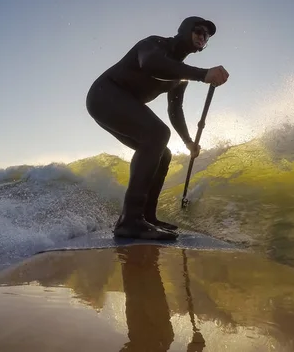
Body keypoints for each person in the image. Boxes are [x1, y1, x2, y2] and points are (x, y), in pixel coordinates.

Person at [85, 16, 229, 240]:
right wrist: (202, 74)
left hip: (117, 102)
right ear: (184, 30)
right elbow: (151, 64)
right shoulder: (155, 44)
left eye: (206, 36)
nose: (203, 37)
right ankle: (129, 221)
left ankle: (146, 217)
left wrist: (188, 141)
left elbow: (175, 110)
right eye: (199, 30)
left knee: (163, 153)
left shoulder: (178, 74)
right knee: (158, 134)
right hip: (105, 95)